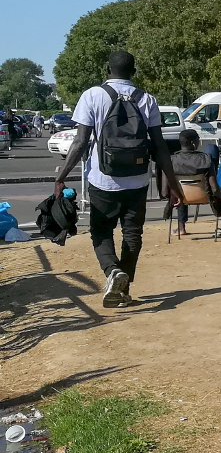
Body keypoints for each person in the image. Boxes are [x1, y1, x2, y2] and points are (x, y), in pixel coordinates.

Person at [54, 51, 183, 308]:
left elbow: (80, 142)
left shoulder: (92, 95)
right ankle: (124, 287)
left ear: (107, 69)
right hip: (137, 180)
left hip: (102, 179)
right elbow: (159, 146)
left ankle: (113, 272)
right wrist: (173, 182)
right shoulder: (147, 99)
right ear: (134, 71)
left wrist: (61, 177)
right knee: (132, 234)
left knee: (101, 232)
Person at [169, 129, 221, 237]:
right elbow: (213, 186)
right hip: (204, 196)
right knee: (211, 148)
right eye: (198, 140)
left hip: (180, 198)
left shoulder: (172, 160)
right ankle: (220, 226)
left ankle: (181, 227)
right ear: (193, 143)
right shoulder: (205, 159)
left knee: (179, 188)